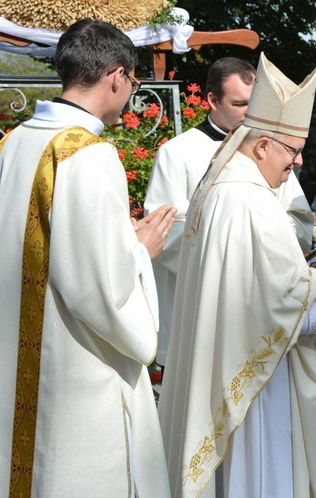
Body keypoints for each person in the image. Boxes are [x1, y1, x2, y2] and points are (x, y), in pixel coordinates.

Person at [157, 53, 316, 498]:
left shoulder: (229, 184)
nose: (299, 162)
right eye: (292, 150)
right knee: (262, 471)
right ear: (261, 145)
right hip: (255, 383)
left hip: (238, 357)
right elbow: (274, 297)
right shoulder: (244, 197)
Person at [0, 19, 173, 496]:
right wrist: (140, 251)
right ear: (117, 76)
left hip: (17, 358)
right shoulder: (89, 155)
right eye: (134, 82)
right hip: (76, 365)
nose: (131, 92)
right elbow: (101, 291)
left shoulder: (13, 142)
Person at [144, 57, 313, 372]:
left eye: (253, 104)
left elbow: (299, 221)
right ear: (212, 100)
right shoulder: (177, 152)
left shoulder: (269, 150)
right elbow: (164, 232)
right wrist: (227, 254)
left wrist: (261, 248)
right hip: (197, 302)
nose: (248, 113)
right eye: (239, 104)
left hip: (259, 304)